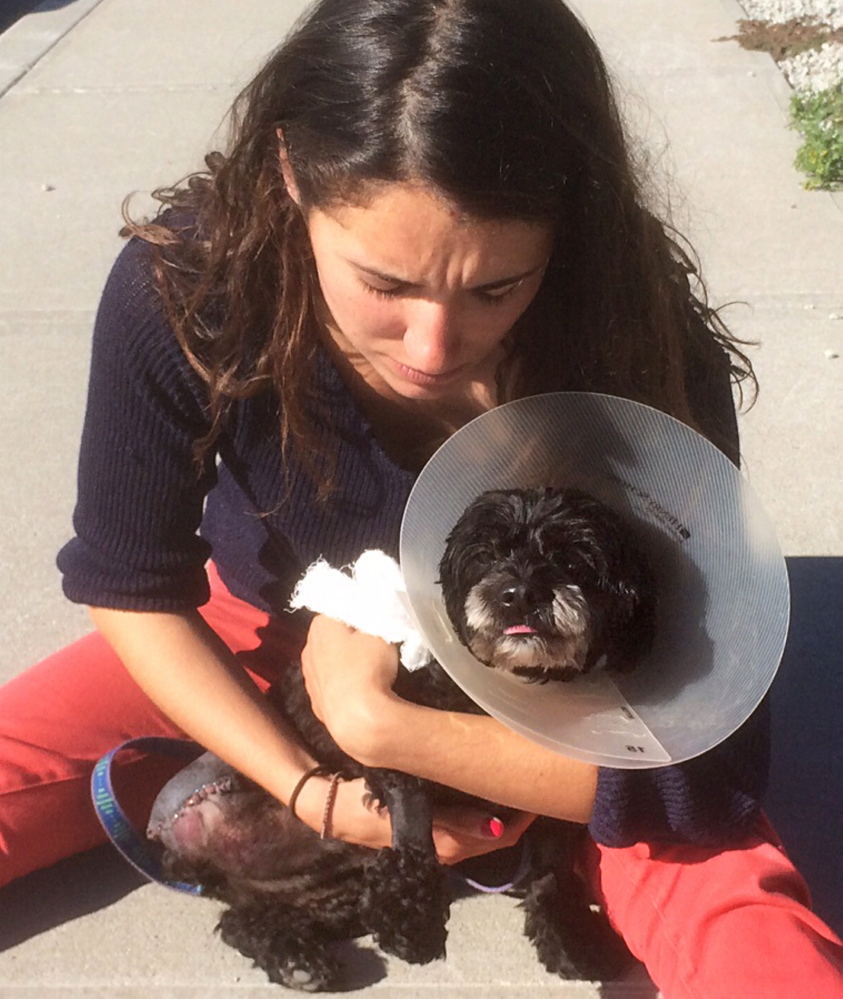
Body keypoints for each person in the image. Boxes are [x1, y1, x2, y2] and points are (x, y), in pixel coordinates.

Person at [1, 0, 841, 995]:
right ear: (289, 175)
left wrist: (387, 731)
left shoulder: (634, 327)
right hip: (261, 627)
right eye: (384, 283)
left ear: (567, 226)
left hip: (575, 700)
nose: (435, 349)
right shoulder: (191, 286)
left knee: (756, 942)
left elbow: (703, 761)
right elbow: (134, 586)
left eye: (496, 289)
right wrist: (309, 787)